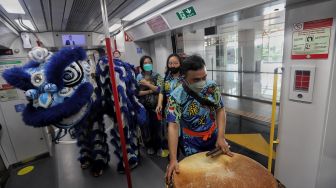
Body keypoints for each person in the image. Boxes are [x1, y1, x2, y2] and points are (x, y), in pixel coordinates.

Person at [165, 55, 233, 182]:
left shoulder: (212, 87)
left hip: (213, 137)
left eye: (204, 77)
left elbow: (220, 109)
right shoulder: (176, 97)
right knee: (198, 177)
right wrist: (173, 159)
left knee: (217, 174)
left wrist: (221, 137)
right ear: (184, 77)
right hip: (192, 143)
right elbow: (173, 126)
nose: (202, 82)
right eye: (196, 80)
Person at [156, 54, 183, 157]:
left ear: (180, 63)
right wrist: (159, 104)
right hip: (170, 111)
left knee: (183, 136)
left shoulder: (185, 78)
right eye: (170, 63)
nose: (173, 65)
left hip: (183, 111)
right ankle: (174, 156)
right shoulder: (166, 78)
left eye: (175, 63)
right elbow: (162, 92)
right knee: (172, 133)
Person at [136, 55, 164, 155]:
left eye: (149, 62)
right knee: (146, 127)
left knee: (157, 127)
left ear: (152, 63)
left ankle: (159, 146)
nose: (147, 64)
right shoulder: (139, 76)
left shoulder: (157, 75)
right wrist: (151, 90)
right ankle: (149, 145)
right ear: (142, 65)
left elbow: (160, 89)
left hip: (155, 106)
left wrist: (147, 84)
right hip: (143, 107)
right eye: (145, 63)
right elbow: (137, 93)